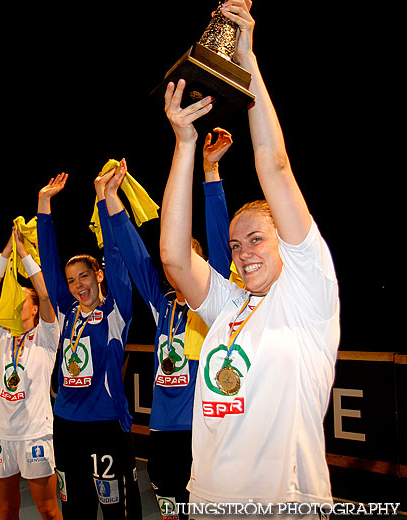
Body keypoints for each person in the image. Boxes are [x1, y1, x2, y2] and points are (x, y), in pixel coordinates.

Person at [158, 1, 340, 518]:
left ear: (286, 242)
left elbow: (275, 168)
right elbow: (174, 257)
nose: (242, 254)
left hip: (283, 503)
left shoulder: (308, 297)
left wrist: (247, 62)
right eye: (236, 245)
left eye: (256, 240)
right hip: (211, 500)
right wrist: (184, 143)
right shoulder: (232, 306)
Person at [101, 141, 234, 520]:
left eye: (188, 261)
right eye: (174, 263)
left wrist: (210, 172)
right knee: (170, 514)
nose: (179, 271)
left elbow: (221, 243)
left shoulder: (215, 307)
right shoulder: (163, 305)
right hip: (162, 430)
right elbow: (134, 250)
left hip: (202, 429)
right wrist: (111, 198)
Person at [36, 172, 142, 519]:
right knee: (76, 508)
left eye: (84, 276)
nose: (77, 285)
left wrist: (101, 195)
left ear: (99, 276)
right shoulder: (65, 312)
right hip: (66, 424)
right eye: (71, 280)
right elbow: (49, 261)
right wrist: (44, 203)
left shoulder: (116, 311)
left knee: (116, 512)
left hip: (106, 424)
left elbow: (114, 251)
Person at [0, 226, 62, 520]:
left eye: (21, 302)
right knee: (7, 510)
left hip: (35, 436)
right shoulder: (0, 335)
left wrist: (24, 253)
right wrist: (6, 250)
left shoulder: (46, 335)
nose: (14, 306)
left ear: (33, 308)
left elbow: (43, 291)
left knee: (48, 510)